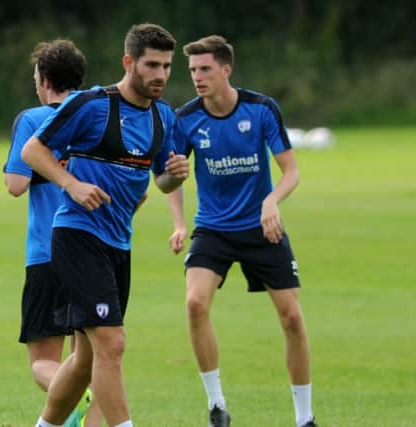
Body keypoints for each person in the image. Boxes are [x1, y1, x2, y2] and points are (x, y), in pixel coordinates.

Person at [21, 23, 189, 427]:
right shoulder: (91, 104)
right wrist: (72, 184)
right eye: (152, 64)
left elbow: (160, 179)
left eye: (167, 66)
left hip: (118, 244)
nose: (161, 75)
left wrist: (175, 175)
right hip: (77, 236)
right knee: (112, 343)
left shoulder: (163, 117)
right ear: (129, 62)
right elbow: (33, 151)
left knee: (85, 358)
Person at [167, 35, 319, 427]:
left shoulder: (261, 108)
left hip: (262, 228)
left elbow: (291, 171)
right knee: (195, 303)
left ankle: (305, 419)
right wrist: (180, 222)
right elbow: (171, 176)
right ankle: (217, 406)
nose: (197, 78)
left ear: (225, 69)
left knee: (292, 318)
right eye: (193, 71)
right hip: (213, 229)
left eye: (205, 69)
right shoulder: (185, 119)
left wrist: (271, 201)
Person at [3, 39, 103, 427]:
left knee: (45, 362)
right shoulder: (99, 117)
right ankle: (92, 399)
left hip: (47, 253)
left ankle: (88, 392)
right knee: (91, 356)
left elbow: (15, 184)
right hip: (96, 252)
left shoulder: (33, 119)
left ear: (45, 80)